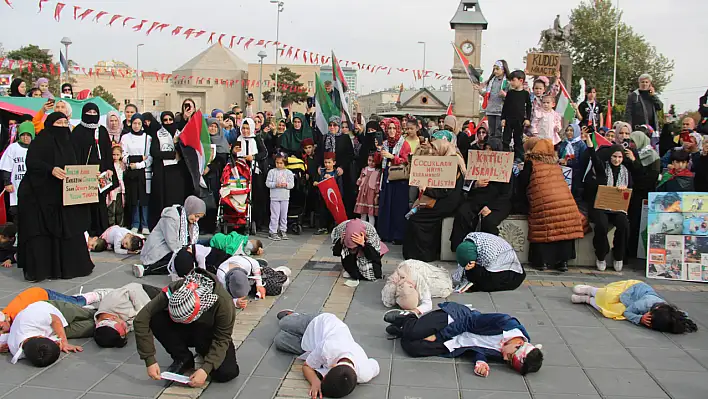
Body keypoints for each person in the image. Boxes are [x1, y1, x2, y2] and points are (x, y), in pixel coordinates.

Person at [17, 112, 95, 281]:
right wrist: (50, 169)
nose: (62, 127)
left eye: (64, 123)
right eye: (58, 123)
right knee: (40, 234)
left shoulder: (70, 143)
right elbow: (32, 163)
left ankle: (68, 267)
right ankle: (42, 270)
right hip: (38, 195)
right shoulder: (40, 142)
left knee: (69, 229)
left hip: (64, 196)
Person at [134, 269, 239, 386]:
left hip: (208, 333)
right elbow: (141, 318)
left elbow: (222, 338)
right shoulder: (177, 288)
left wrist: (205, 369)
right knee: (155, 316)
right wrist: (149, 360)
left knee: (226, 372)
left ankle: (203, 351)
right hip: (188, 330)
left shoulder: (224, 303)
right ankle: (183, 358)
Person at [384, 302, 543, 377]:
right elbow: (469, 322)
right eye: (509, 357)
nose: (503, 358)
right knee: (415, 332)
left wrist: (481, 361)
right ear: (518, 344)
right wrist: (438, 336)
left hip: (457, 343)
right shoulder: (505, 323)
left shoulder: (508, 352)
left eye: (508, 361)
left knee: (412, 348)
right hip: (456, 318)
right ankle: (409, 318)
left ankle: (404, 330)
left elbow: (479, 349)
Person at [273, 310, 380, 398]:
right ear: (332, 366)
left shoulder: (364, 374)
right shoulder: (328, 348)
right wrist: (314, 381)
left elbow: (375, 364)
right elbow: (307, 366)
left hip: (314, 346)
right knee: (284, 322)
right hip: (318, 323)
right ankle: (295, 315)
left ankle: (295, 335)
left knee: (279, 340)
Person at [517, 139, 584, 272]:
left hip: (545, 203)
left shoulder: (531, 163)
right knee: (563, 225)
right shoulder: (555, 164)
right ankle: (562, 262)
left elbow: (522, 183)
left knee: (543, 226)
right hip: (566, 203)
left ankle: (542, 262)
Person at [403, 139, 465, 262]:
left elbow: (444, 191)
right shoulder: (447, 160)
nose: (433, 152)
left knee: (417, 218)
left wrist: (426, 190)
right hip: (444, 199)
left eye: (436, 149)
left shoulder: (452, 163)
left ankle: (423, 254)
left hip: (447, 202)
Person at [570, 281, 698, 334]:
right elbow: (627, 312)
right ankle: (590, 290)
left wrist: (682, 319)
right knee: (609, 297)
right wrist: (640, 318)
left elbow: (682, 314)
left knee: (614, 311)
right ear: (654, 311)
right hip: (630, 290)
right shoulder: (646, 304)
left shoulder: (670, 314)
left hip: (636, 299)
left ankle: (588, 300)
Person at [450, 138, 511, 248]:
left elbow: (507, 194)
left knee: (489, 221)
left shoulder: (505, 167)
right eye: (486, 149)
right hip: (476, 199)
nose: (488, 152)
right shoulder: (477, 163)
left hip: (497, 203)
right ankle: (462, 248)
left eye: (491, 149)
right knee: (463, 213)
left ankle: (489, 250)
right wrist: (475, 184)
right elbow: (466, 186)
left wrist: (491, 207)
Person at [585, 138, 631, 271]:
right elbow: (593, 156)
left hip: (617, 208)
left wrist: (624, 190)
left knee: (623, 224)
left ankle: (618, 255)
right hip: (601, 207)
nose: (617, 160)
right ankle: (601, 255)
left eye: (619, 157)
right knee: (601, 225)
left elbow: (631, 189)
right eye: (614, 156)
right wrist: (589, 140)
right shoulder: (602, 168)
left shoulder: (625, 172)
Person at [1, 301, 95, 366]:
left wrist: (64, 342)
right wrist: (57, 344)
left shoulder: (31, 319)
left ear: (39, 336)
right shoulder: (21, 352)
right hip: (52, 331)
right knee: (94, 327)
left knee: (88, 314)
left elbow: (56, 320)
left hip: (51, 310)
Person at [71, 103, 116, 236]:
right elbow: (74, 153)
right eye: (88, 113)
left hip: (101, 174)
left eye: (94, 113)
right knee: (85, 203)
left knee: (100, 202)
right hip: (85, 174)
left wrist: (109, 169)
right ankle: (87, 231)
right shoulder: (78, 131)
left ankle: (101, 230)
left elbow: (107, 152)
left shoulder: (102, 130)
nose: (91, 116)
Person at [135, 196, 205, 277]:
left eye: (199, 217)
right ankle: (145, 269)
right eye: (196, 216)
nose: (197, 220)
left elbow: (189, 242)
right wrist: (186, 252)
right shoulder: (171, 217)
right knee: (179, 261)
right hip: (157, 251)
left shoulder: (190, 222)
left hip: (170, 250)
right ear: (190, 210)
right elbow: (172, 243)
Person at [1, 286, 108, 333]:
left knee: (75, 302)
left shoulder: (16, 315)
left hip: (44, 296)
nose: (2, 332)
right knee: (71, 307)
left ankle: (96, 294)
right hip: (39, 303)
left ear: (5, 320)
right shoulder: (5, 319)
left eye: (1, 328)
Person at [149, 111, 187, 230]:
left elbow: (184, 152)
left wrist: (177, 144)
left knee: (176, 200)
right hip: (163, 171)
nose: (168, 122)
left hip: (177, 172)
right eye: (165, 120)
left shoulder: (179, 134)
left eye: (170, 120)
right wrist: (172, 154)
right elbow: (154, 152)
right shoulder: (157, 134)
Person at [451, 232, 526, 293]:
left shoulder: (489, 253)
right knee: (471, 271)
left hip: (512, 274)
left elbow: (487, 276)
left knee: (485, 284)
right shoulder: (469, 242)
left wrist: (474, 269)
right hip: (494, 264)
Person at [93, 283, 162, 348]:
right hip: (152, 311)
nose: (126, 331)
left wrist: (141, 310)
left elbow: (132, 289)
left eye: (124, 327)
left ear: (112, 318)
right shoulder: (105, 328)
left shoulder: (114, 301)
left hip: (145, 294)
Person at [376, 118, 411, 244]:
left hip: (399, 179)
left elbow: (406, 161)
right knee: (386, 205)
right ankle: (385, 233)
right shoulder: (384, 144)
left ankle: (398, 235)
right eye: (389, 128)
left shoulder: (404, 144)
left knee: (398, 207)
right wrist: (378, 151)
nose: (391, 131)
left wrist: (392, 157)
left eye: (393, 128)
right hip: (386, 177)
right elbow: (377, 162)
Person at [626, 131, 660, 258]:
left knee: (638, 223)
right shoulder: (634, 153)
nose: (631, 144)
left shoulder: (652, 156)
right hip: (631, 194)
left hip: (643, 195)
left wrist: (634, 161)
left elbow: (647, 177)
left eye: (634, 142)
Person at [381, 259, 453, 315]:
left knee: (445, 288)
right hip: (407, 266)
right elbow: (388, 300)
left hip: (417, 267)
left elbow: (428, 304)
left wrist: (415, 311)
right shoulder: (392, 288)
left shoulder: (418, 279)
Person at [120, 114, 153, 234]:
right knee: (134, 198)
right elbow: (124, 156)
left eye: (139, 123)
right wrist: (137, 158)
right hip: (131, 173)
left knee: (144, 200)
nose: (137, 126)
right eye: (134, 123)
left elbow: (149, 158)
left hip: (144, 172)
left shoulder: (147, 138)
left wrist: (139, 164)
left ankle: (145, 224)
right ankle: (135, 223)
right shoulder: (125, 137)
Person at [319, 116, 357, 217]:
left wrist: (342, 167)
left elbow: (350, 155)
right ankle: (326, 223)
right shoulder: (324, 137)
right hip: (327, 171)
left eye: (335, 125)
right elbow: (320, 153)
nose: (332, 127)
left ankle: (342, 220)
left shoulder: (345, 138)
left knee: (341, 196)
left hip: (341, 173)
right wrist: (320, 166)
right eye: (330, 125)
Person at [0, 121, 33, 224]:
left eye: (28, 135)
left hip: (32, 188)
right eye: (23, 135)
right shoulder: (13, 148)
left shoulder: (36, 148)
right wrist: (7, 182)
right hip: (16, 188)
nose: (25, 137)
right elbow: (6, 166)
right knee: (17, 216)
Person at [501, 70, 532, 161]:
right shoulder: (510, 93)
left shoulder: (525, 94)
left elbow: (529, 107)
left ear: (521, 81)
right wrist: (503, 118)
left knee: (518, 138)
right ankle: (505, 155)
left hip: (520, 120)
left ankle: (518, 156)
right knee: (506, 138)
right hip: (509, 120)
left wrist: (527, 119)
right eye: (510, 80)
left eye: (513, 80)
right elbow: (505, 106)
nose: (511, 82)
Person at [478, 60, 510, 139]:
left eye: (497, 69)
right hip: (491, 110)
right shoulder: (491, 81)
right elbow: (487, 95)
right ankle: (491, 148)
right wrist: (479, 90)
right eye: (494, 69)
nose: (495, 71)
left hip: (501, 111)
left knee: (498, 132)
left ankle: (498, 148)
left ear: (503, 69)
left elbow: (511, 98)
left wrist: (505, 95)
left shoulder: (508, 82)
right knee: (491, 132)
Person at [266, 155, 295, 241]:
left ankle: (283, 230)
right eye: (277, 163)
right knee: (275, 215)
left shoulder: (289, 173)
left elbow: (291, 185)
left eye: (281, 163)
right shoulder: (272, 172)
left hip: (285, 197)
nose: (279, 165)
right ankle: (273, 231)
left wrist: (286, 185)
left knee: (284, 215)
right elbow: (267, 183)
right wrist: (275, 184)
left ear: (285, 163)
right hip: (274, 197)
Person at [314, 153, 343, 235]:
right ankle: (323, 227)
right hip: (323, 197)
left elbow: (339, 185)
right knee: (323, 212)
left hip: (333, 198)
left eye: (329, 162)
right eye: (325, 162)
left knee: (333, 212)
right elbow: (318, 182)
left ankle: (333, 227)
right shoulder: (322, 172)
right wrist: (316, 183)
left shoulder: (336, 174)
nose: (327, 164)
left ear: (334, 163)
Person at [558, 123, 588, 199]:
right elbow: (559, 155)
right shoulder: (564, 143)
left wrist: (568, 162)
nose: (569, 132)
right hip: (563, 171)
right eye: (567, 130)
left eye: (571, 130)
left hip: (576, 174)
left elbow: (582, 161)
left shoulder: (581, 145)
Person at [354, 154, 381, 225]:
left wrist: (377, 195)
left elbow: (377, 184)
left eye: (373, 161)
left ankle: (370, 229)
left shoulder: (377, 172)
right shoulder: (364, 169)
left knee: (370, 213)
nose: (371, 163)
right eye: (369, 160)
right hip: (363, 192)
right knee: (363, 212)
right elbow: (359, 181)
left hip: (371, 193)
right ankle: (362, 228)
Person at [107, 144, 126, 226]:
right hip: (112, 188)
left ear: (121, 155)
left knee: (120, 209)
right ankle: (112, 226)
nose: (115, 157)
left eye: (117, 154)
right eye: (113, 154)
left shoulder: (122, 165)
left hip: (120, 188)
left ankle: (120, 226)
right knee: (111, 209)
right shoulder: (109, 164)